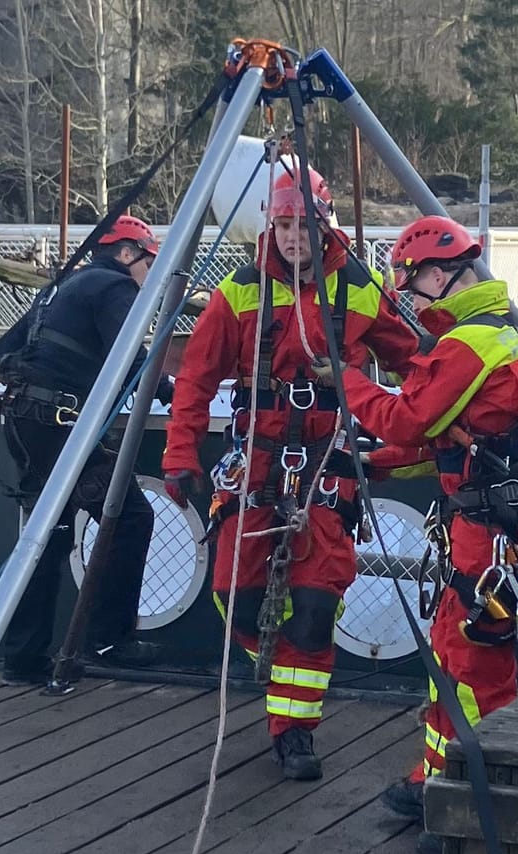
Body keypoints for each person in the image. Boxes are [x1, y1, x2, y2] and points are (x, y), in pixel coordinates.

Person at [162, 168, 417, 780]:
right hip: (256, 465)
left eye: (304, 225)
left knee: (313, 608)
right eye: (283, 225)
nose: (293, 237)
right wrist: (180, 455)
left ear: (322, 224)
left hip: (329, 463)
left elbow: (416, 361)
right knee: (237, 599)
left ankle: (294, 732)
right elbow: (195, 380)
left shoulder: (359, 287)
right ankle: (278, 674)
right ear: (269, 226)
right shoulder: (239, 292)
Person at [313, 216, 518, 853]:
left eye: (413, 284)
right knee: (451, 654)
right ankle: (439, 781)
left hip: (493, 533)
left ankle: (478, 805)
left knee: (477, 669)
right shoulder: (488, 339)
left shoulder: (471, 344)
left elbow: (408, 418)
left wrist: (346, 382)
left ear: (444, 275)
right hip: (486, 526)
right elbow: (446, 439)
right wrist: (371, 464)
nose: (409, 298)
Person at [0, 214, 167, 684]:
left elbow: (5, 350)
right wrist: (173, 392)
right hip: (61, 427)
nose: (149, 276)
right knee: (131, 516)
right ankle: (111, 639)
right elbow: (132, 358)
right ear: (129, 253)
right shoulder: (116, 289)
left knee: (47, 536)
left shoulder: (61, 288)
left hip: (27, 422)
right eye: (149, 263)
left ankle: (23, 656)